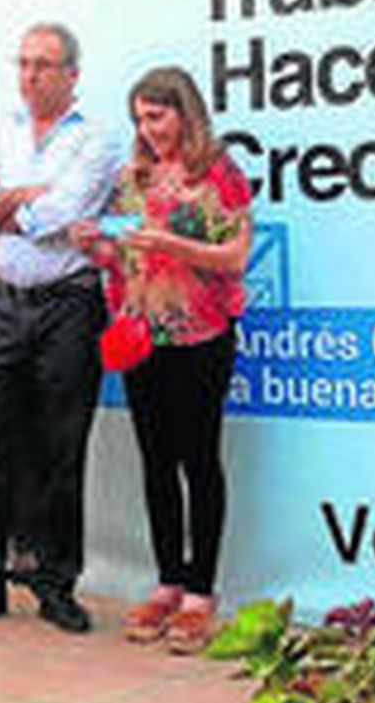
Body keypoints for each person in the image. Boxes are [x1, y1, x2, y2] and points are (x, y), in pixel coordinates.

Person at [0, 22, 121, 634]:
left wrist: (8, 205)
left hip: (68, 305)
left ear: (71, 75)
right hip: (0, 303)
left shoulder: (97, 137)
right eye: (24, 63)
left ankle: (54, 583)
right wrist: (24, 200)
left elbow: (61, 215)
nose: (30, 75)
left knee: (60, 450)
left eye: (43, 65)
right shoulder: (6, 130)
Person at [72, 65, 251, 655]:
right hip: (141, 337)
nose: (148, 130)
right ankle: (167, 581)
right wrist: (96, 247)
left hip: (200, 339)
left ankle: (201, 593)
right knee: (155, 462)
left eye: (157, 116)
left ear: (186, 112)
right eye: (140, 119)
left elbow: (234, 257)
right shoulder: (132, 180)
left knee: (199, 461)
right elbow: (120, 254)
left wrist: (176, 246)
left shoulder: (218, 174)